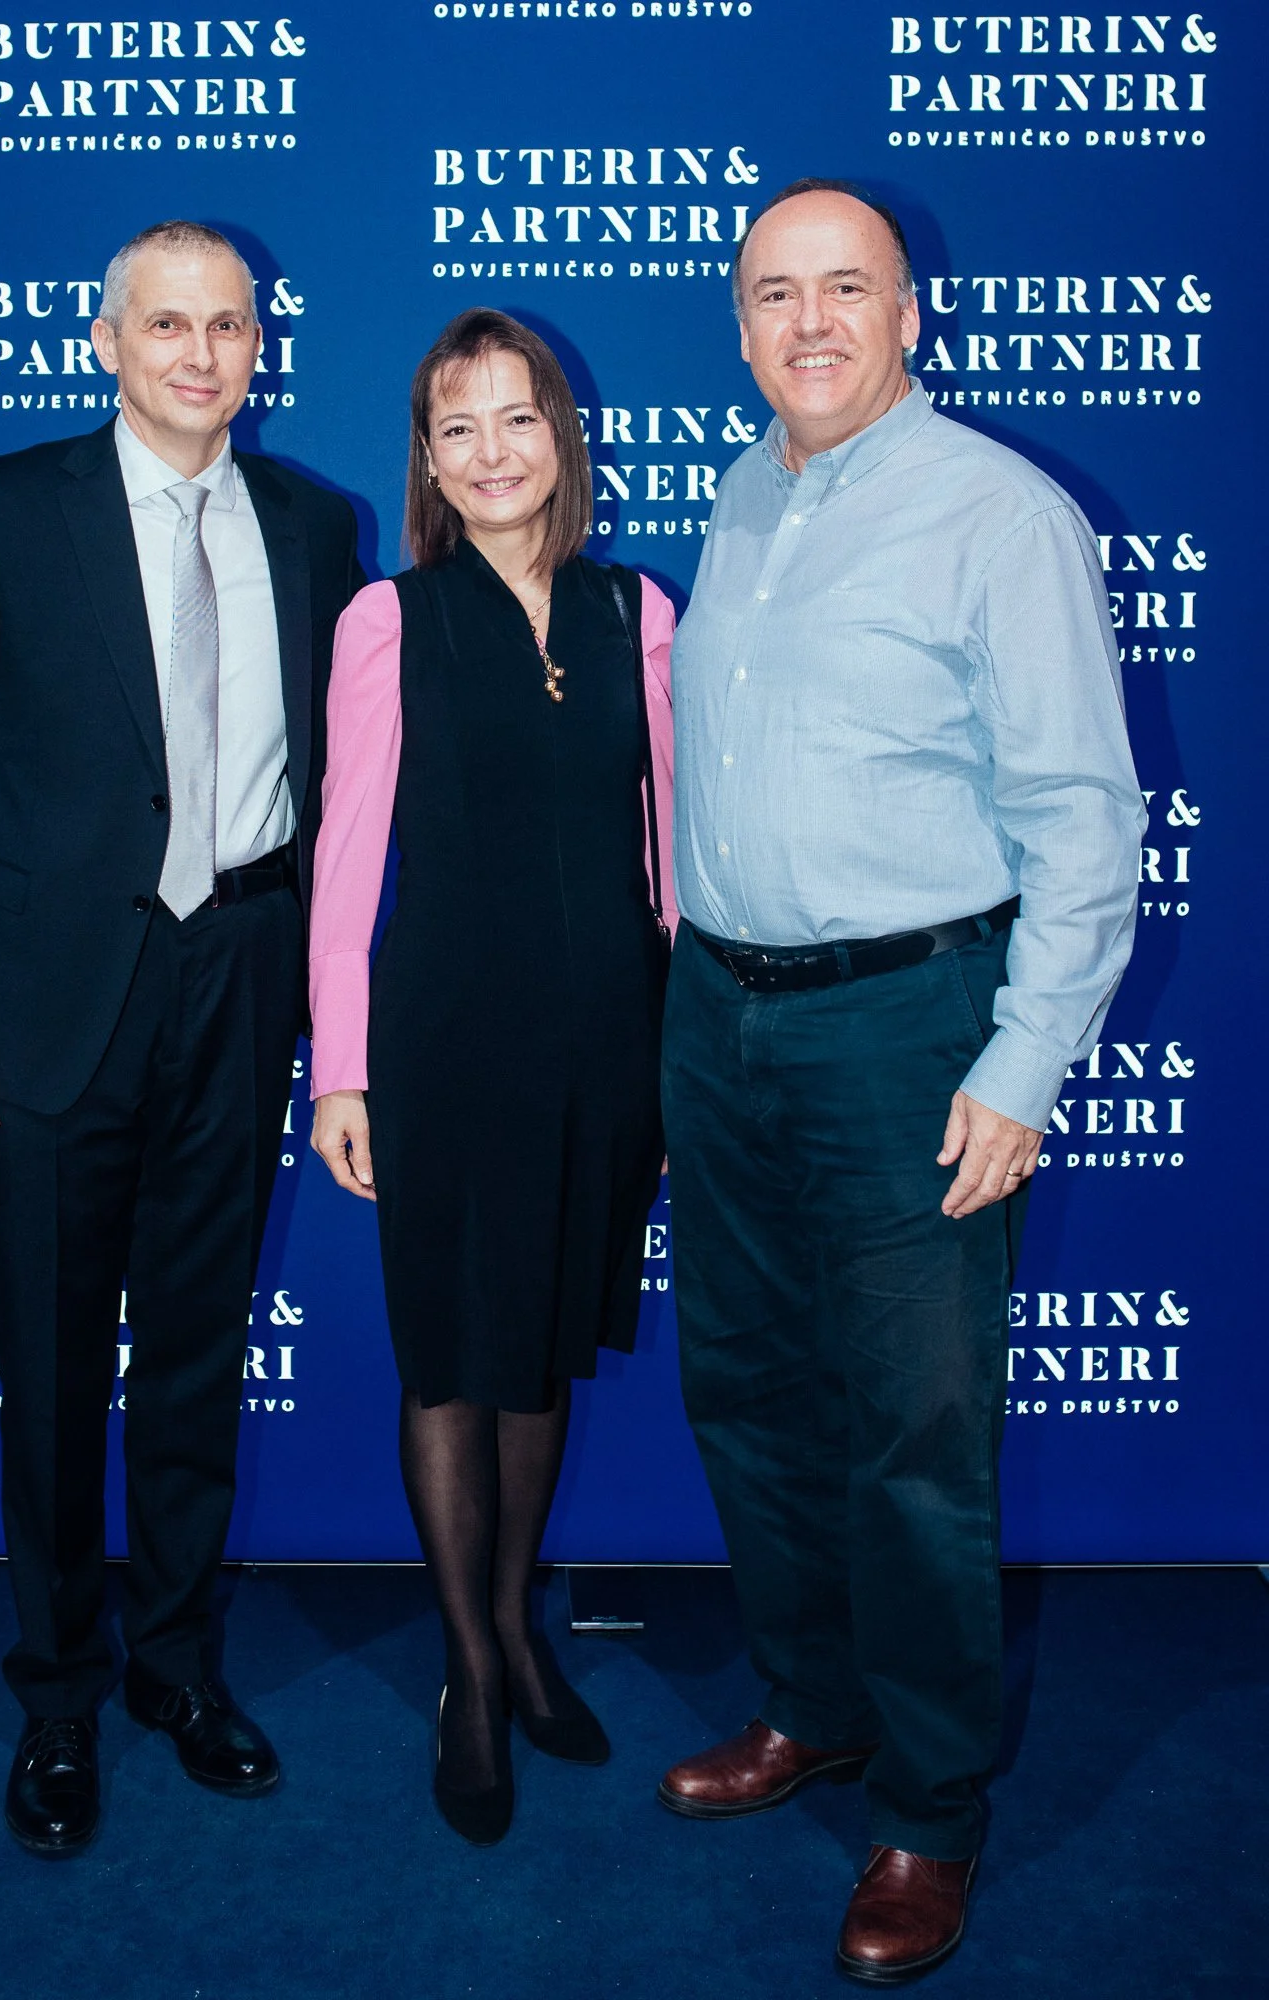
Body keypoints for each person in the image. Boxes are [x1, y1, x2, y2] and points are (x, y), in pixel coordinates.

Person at [659, 181, 1144, 1981]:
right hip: (720, 1018)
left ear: (910, 312)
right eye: (773, 293)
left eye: (844, 289)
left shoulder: (996, 517)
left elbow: (1085, 818)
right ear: (739, 324)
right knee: (752, 1395)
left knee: (918, 1440)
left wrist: (1021, 1065)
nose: (808, 324)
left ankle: (930, 1807)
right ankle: (817, 1706)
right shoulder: (743, 493)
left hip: (909, 1029)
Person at [0, 220, 364, 1857]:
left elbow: (344, 796)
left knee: (200, 1357)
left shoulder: (313, 525)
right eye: (167, 324)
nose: (200, 354)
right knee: (59, 1366)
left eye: (226, 325)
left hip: (238, 981)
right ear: (106, 340)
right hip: (48, 1009)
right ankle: (62, 1697)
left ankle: (176, 1668)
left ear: (256, 346)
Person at [308, 309, 676, 1845]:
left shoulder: (639, 610)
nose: (490, 452)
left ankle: (523, 1626)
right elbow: (346, 859)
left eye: (515, 419)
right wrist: (341, 1069)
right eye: (456, 428)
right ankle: (471, 1666)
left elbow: (670, 859)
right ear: (429, 460)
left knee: (536, 1352)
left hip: (611, 1043)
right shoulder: (392, 621)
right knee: (455, 1356)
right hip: (445, 1044)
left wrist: (683, 1041)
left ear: (561, 436)